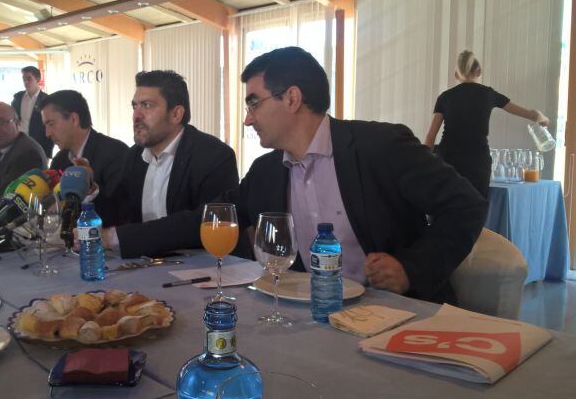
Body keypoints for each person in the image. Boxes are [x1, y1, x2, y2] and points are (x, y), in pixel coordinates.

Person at [109, 47, 487, 305]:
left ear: (291, 98)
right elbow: (210, 218)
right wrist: (115, 238)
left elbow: (465, 205)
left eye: (254, 102)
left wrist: (412, 268)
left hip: (398, 313)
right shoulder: (267, 171)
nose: (247, 117)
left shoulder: (380, 146)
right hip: (311, 315)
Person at [97, 70, 239, 255]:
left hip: (205, 270)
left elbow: (201, 225)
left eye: (146, 105)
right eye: (134, 106)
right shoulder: (134, 156)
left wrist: (116, 238)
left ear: (176, 114)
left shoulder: (213, 156)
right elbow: (119, 214)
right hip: (148, 267)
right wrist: (90, 190)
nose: (136, 116)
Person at [425, 50, 550, 197]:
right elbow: (527, 113)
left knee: (445, 208)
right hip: (477, 162)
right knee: (475, 209)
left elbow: (430, 137)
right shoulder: (488, 94)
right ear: (479, 71)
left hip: (448, 161)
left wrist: (425, 165)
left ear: (456, 75)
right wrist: (540, 117)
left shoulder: (444, 97)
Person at [41, 90, 128, 225]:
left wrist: (91, 189)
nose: (47, 133)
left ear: (74, 119)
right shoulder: (60, 160)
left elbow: (121, 212)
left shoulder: (115, 152)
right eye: (45, 125)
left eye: (51, 124)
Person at [10, 66, 53, 159]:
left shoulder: (46, 100)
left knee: (37, 172)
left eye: (29, 78)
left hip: (39, 144)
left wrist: (48, 153)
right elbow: (11, 119)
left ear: (37, 79)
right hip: (18, 143)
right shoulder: (18, 97)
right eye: (24, 79)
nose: (26, 82)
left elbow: (50, 125)